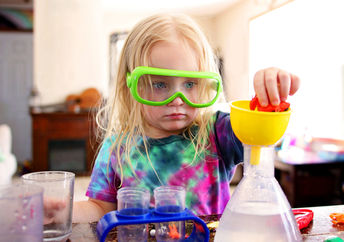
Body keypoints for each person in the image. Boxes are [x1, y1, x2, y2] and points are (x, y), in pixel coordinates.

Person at [71, 13, 300, 223]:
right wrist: (64, 211)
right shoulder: (116, 148)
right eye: (160, 84)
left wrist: (269, 101)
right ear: (131, 85)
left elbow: (263, 136)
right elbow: (100, 208)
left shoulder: (215, 132)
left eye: (190, 84)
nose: (178, 99)